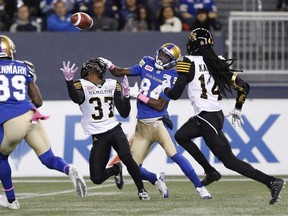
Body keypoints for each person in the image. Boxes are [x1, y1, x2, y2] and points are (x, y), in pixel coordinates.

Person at [162, 28, 286, 205]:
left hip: (207, 118)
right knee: (181, 136)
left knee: (230, 162)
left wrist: (164, 89)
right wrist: (238, 108)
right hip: (214, 115)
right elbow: (244, 87)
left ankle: (272, 181)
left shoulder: (188, 62)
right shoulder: (217, 61)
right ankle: (210, 171)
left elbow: (174, 94)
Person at [99, 43, 212, 199]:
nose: (162, 58)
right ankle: (155, 179)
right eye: (162, 54)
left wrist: (138, 94)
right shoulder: (146, 62)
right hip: (141, 127)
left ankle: (200, 188)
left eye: (167, 57)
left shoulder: (174, 76)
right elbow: (120, 72)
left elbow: (159, 105)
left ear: (173, 61)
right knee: (133, 167)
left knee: (175, 155)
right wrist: (109, 64)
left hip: (158, 123)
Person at [0, 35, 87, 210]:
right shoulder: (23, 67)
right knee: (48, 157)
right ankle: (68, 169)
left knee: (1, 157)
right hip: (31, 115)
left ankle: (11, 200)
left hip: (12, 120)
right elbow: (38, 101)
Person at [60, 58, 150, 200]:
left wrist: (126, 97)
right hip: (98, 135)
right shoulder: (81, 84)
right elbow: (77, 98)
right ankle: (115, 169)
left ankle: (141, 190)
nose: (92, 72)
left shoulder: (112, 84)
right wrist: (69, 83)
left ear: (101, 72)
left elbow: (124, 112)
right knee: (96, 178)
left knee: (127, 157)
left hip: (114, 128)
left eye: (94, 69)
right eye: (90, 70)